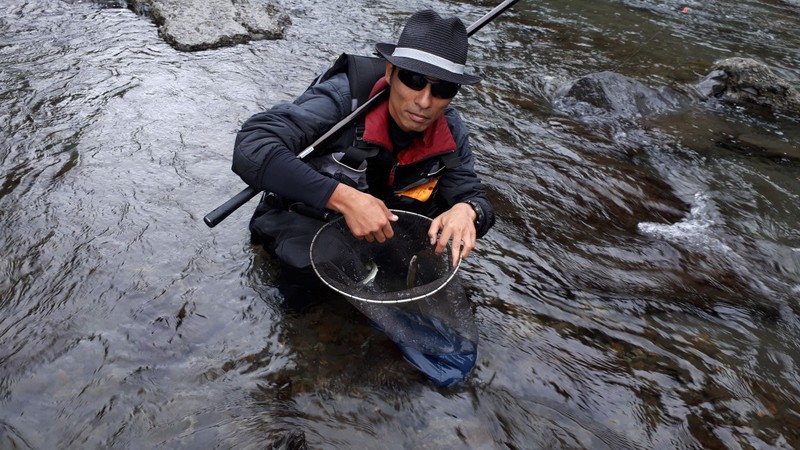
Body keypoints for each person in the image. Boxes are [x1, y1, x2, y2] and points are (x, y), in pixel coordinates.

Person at [232, 9, 495, 303]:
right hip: (309, 220)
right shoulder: (342, 101)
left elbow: (474, 195)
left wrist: (468, 211)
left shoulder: (451, 129)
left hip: (381, 236)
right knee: (308, 274)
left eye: (442, 89)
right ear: (389, 73)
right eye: (413, 79)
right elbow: (252, 146)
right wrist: (345, 198)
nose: (424, 101)